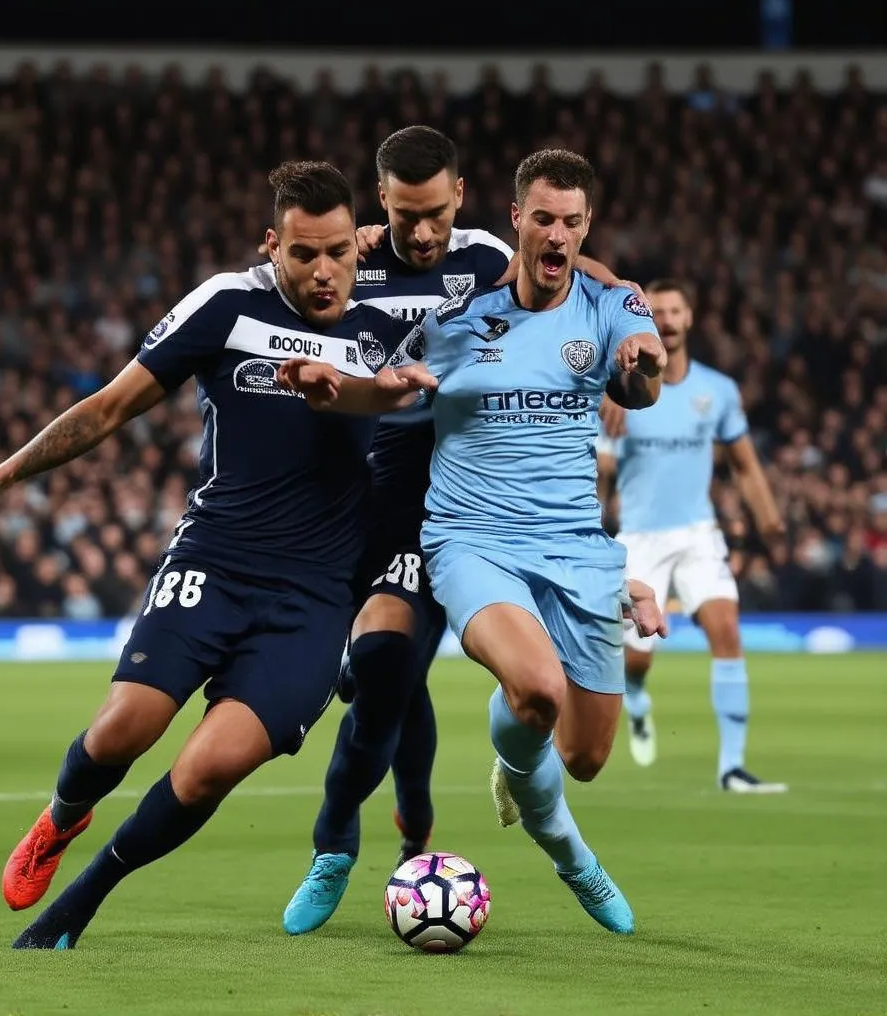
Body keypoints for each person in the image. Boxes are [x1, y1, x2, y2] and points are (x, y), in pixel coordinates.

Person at [0, 161, 428, 950]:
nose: (323, 271)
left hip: (314, 598)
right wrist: (18, 465)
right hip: (215, 561)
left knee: (208, 769)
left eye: (338, 254)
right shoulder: (225, 304)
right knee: (122, 732)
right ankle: (61, 817)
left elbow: (489, 286)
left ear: (360, 248)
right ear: (271, 247)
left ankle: (80, 903)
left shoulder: (388, 331)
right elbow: (114, 403)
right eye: (303, 254)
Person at [279, 148, 667, 935]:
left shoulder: (604, 302)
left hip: (573, 544)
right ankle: (350, 848)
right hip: (452, 528)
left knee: (583, 756)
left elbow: (642, 379)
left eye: (572, 222)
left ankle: (509, 766)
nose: (556, 236)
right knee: (425, 675)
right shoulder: (443, 316)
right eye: (543, 220)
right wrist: (324, 388)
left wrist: (644, 364)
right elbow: (377, 380)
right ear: (516, 221)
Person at [596, 279, 788, 792]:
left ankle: (732, 768)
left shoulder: (717, 390)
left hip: (699, 531)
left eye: (676, 310)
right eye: (657, 311)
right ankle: (636, 696)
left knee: (726, 629)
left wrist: (769, 520)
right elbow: (601, 475)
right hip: (640, 536)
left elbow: (744, 464)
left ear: (690, 318)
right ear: (647, 320)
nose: (668, 319)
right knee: (636, 659)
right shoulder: (624, 393)